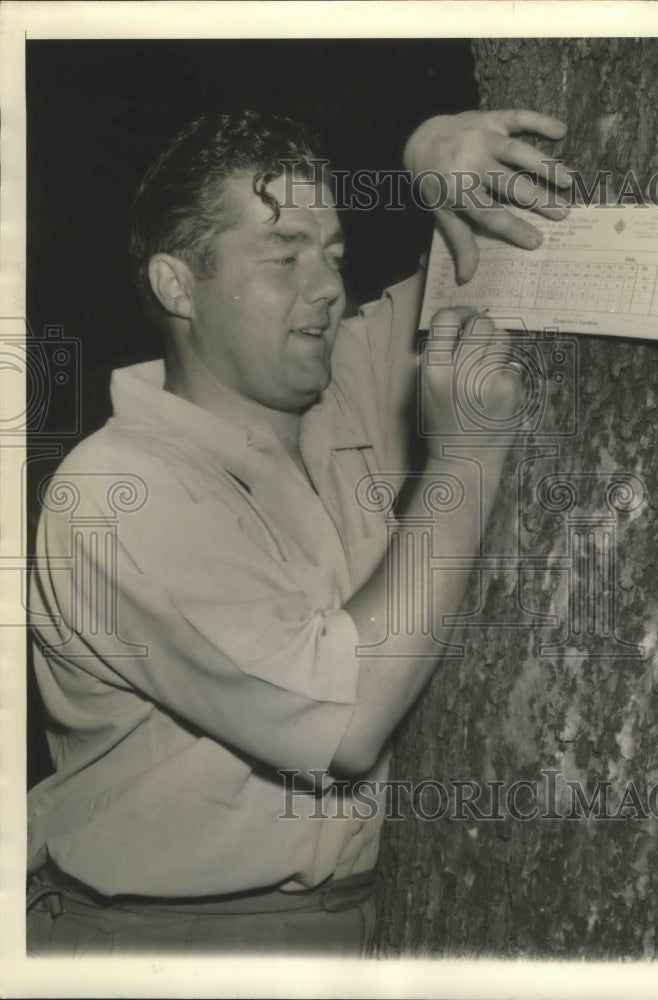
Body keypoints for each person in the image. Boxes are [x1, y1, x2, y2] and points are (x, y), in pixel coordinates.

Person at [26, 107, 571, 955]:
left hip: (368, 920)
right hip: (169, 945)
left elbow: (491, 258)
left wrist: (430, 159)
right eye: (284, 257)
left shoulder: (336, 380)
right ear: (178, 286)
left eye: (334, 253)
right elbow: (345, 720)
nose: (326, 285)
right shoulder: (116, 492)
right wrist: (465, 458)